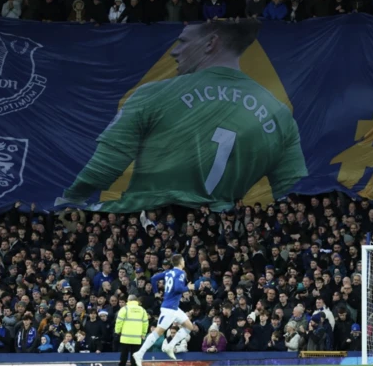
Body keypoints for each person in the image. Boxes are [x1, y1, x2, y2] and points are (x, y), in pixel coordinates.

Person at [60, 20, 307, 212]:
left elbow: (103, 168)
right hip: (220, 227)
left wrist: (69, 201)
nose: (175, 52)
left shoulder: (153, 94)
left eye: (182, 42)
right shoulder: (280, 114)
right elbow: (293, 187)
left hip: (144, 217)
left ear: (211, 43)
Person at [133, 255, 195, 366]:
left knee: (190, 327)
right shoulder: (181, 273)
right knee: (158, 332)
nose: (184, 261)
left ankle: (170, 346)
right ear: (181, 262)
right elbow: (178, 288)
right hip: (169, 309)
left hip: (174, 308)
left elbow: (153, 279)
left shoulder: (168, 272)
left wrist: (156, 291)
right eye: (183, 260)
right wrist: (188, 288)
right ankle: (139, 354)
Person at [115, 295, 148, 366]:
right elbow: (145, 323)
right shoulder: (142, 310)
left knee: (123, 358)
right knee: (135, 359)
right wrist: (143, 333)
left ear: (128, 300)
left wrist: (118, 331)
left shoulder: (124, 309)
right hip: (137, 339)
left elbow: (119, 321)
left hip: (125, 338)